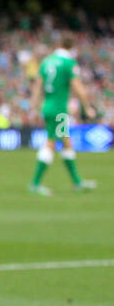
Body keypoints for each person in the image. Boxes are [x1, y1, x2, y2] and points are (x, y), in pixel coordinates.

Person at [29, 37, 97, 195]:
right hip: (59, 108)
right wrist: (87, 107)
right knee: (51, 142)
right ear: (71, 47)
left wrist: (34, 107)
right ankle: (35, 184)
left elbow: (38, 86)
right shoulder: (68, 63)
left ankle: (77, 182)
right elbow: (78, 87)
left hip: (48, 106)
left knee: (66, 141)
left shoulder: (46, 62)